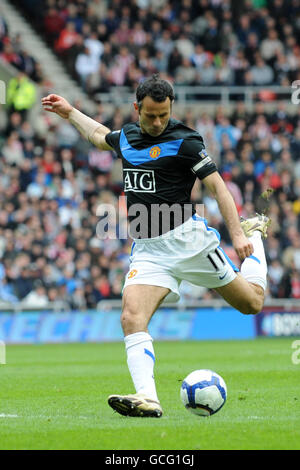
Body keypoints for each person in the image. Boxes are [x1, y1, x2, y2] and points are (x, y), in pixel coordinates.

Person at [42, 74, 270, 418]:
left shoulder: (187, 141)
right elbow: (98, 136)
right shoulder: (128, 137)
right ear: (137, 109)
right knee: (131, 317)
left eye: (164, 114)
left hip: (189, 243)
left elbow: (218, 188)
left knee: (252, 303)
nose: (158, 121)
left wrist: (238, 235)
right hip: (148, 249)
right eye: (150, 115)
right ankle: (147, 397)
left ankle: (256, 235)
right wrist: (71, 111)